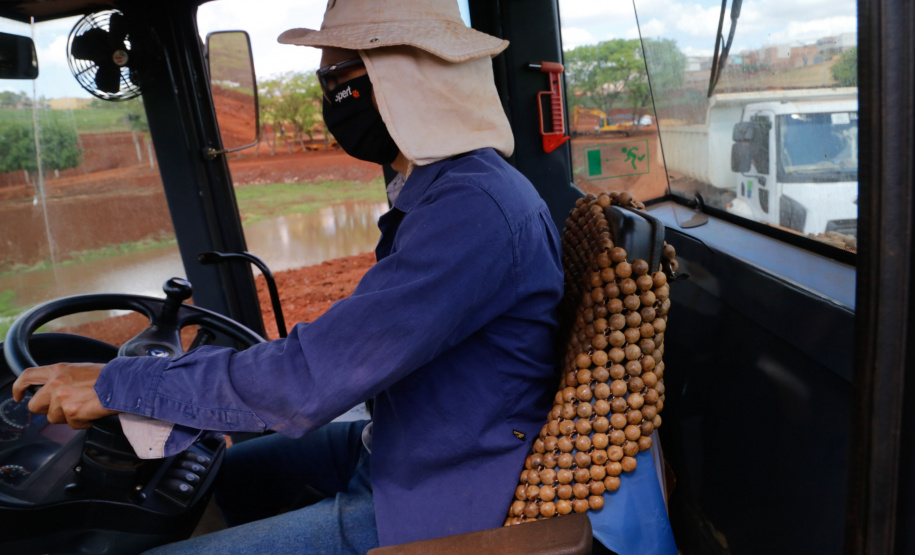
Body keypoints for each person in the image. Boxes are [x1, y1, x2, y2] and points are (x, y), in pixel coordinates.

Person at [12, 0, 564, 553]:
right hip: (398, 441)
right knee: (214, 481)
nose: (327, 98)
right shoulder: (445, 190)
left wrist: (120, 384)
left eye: (335, 78)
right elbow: (341, 353)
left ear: (397, 76)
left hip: (438, 487)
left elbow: (308, 379)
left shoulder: (470, 210)